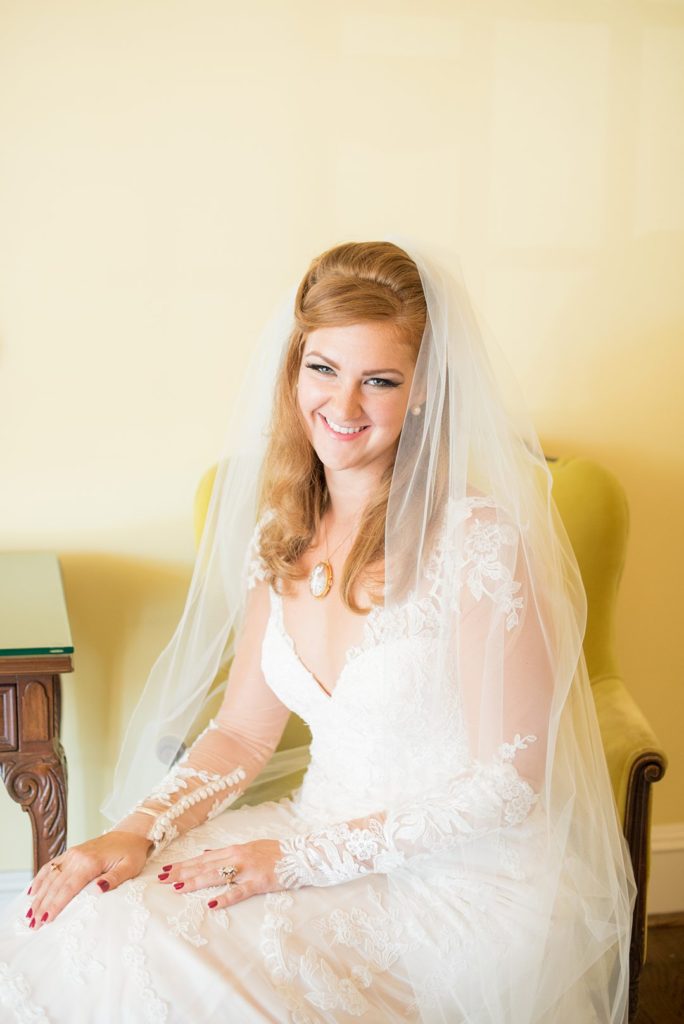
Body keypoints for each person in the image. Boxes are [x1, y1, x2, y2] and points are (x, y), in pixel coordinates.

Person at [0, 238, 635, 1023]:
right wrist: (137, 831)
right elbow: (240, 735)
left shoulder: (477, 546)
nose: (343, 405)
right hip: (308, 829)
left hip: (454, 881)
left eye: (380, 380)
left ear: (424, 391)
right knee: (103, 918)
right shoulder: (280, 531)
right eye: (324, 369)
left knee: (182, 969)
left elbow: (507, 785)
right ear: (293, 370)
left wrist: (301, 861)